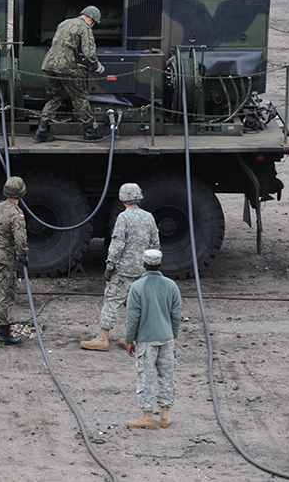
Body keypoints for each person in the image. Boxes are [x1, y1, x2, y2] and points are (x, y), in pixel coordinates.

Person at [81, 183, 160, 351]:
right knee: (137, 305)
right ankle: (132, 338)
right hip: (142, 271)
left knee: (112, 301)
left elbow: (117, 244)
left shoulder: (123, 218)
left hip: (123, 270)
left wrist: (110, 265)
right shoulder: (149, 217)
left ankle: (102, 338)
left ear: (123, 199)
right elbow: (155, 244)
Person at [124, 249, 181, 429]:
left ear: (144, 264)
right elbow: (176, 315)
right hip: (166, 338)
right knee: (166, 376)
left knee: (146, 378)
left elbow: (133, 317)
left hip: (146, 340)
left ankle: (147, 416)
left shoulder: (137, 287)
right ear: (160, 264)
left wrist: (129, 340)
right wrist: (172, 334)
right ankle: (165, 415)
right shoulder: (171, 285)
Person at [34, 5, 105, 143]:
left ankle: (41, 130)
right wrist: (97, 67)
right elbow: (89, 54)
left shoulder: (64, 23)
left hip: (49, 64)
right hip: (66, 66)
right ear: (91, 19)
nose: (93, 25)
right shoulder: (85, 28)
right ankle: (89, 131)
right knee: (80, 96)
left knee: (54, 97)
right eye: (94, 23)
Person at [0, 176, 29, 345]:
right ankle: (3, 333)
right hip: (5, 259)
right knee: (5, 294)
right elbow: (20, 240)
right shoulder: (17, 214)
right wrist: (24, 256)